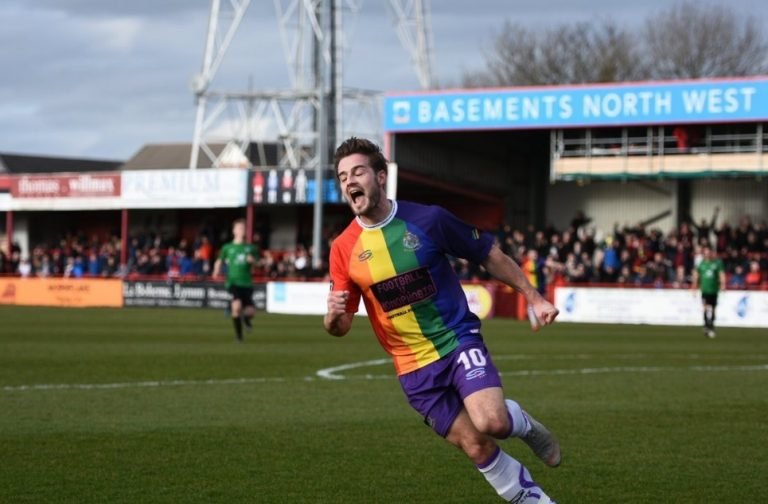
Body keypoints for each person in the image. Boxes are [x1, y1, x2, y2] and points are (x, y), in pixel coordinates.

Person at [324, 137, 561, 503]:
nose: (349, 181)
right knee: (476, 446)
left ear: (381, 177)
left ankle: (523, 423)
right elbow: (340, 327)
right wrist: (333, 315)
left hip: (456, 339)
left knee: (492, 422)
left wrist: (534, 297)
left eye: (358, 171)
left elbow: (489, 254)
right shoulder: (342, 249)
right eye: (342, 176)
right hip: (412, 367)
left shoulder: (429, 219)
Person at [213, 219, 260, 342]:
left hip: (247, 283)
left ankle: (246, 319)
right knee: (237, 306)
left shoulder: (251, 248)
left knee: (250, 312)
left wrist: (253, 261)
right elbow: (219, 260)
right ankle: (239, 336)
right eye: (239, 228)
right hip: (233, 281)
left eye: (243, 228)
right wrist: (216, 270)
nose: (241, 230)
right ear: (234, 231)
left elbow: (258, 264)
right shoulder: (227, 247)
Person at [691, 245, 726, 339]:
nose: (707, 254)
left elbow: (721, 274)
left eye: (708, 253)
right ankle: (706, 325)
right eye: (705, 253)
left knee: (714, 309)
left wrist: (723, 284)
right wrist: (694, 287)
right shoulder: (701, 264)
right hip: (705, 290)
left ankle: (712, 325)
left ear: (711, 253)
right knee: (705, 308)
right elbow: (696, 276)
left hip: (714, 290)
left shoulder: (717, 263)